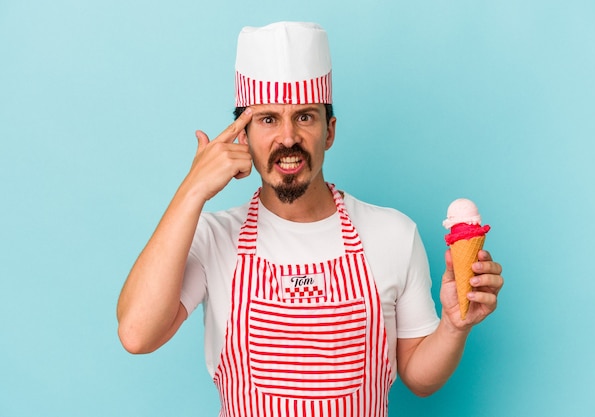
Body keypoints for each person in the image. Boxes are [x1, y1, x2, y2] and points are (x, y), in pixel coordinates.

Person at [117, 21, 504, 416]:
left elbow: (419, 377)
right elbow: (136, 334)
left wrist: (454, 327)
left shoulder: (392, 234)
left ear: (329, 131)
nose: (287, 137)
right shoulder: (212, 237)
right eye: (268, 119)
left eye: (304, 117)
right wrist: (191, 190)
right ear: (243, 136)